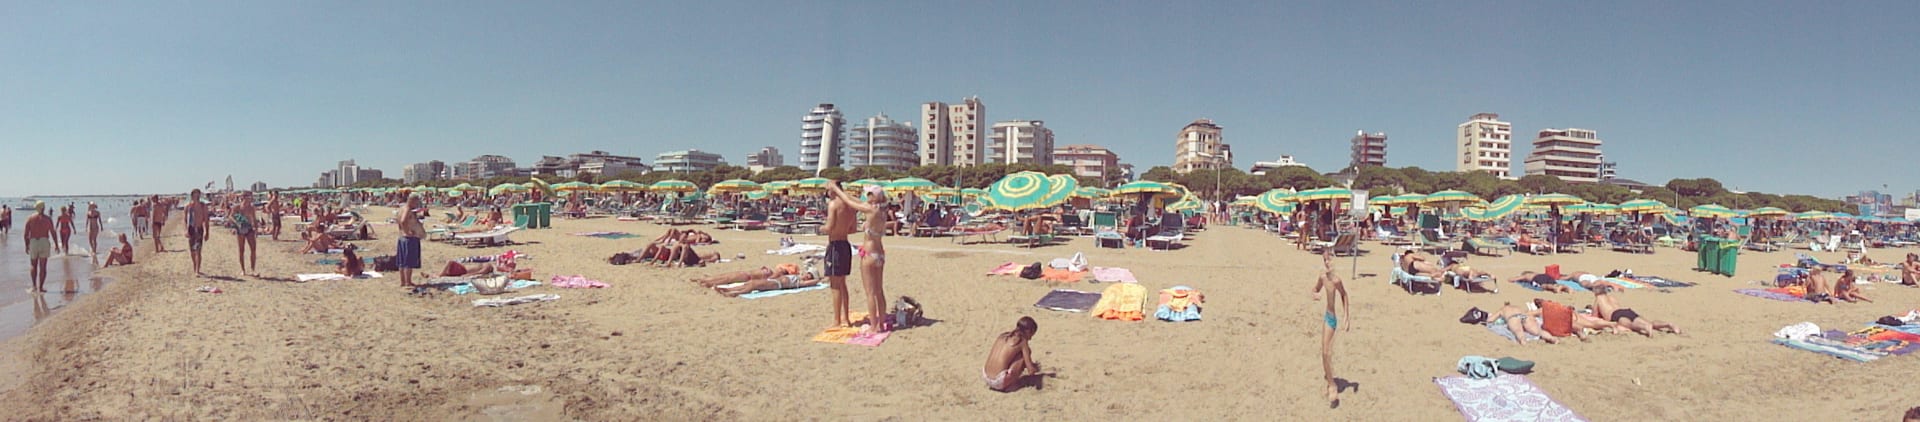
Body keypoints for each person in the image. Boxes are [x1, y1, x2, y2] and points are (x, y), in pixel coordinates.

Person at [828, 182, 891, 333]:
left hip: (869, 253)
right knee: (879, 291)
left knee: (870, 293)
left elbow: (849, 202)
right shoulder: (881, 210)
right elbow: (853, 200)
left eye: (868, 194)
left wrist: (836, 189)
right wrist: (842, 192)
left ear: (873, 197)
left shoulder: (870, 209)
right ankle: (881, 323)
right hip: (880, 253)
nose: (866, 197)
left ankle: (874, 326)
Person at [1311, 248, 1350, 405]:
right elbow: (1315, 288)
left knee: (1328, 352)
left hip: (1333, 319)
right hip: (1327, 317)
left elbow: (1344, 295)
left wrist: (1347, 316)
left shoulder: (1337, 281)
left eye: (1329, 259)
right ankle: (1331, 384)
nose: (1327, 263)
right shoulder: (1322, 278)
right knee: (1324, 352)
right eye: (1325, 260)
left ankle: (1332, 384)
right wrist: (1314, 294)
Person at [820, 186, 858, 328]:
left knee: (835, 285)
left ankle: (837, 320)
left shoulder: (833, 205)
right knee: (842, 284)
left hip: (835, 245)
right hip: (845, 244)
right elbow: (853, 229)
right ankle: (846, 318)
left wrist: (821, 228)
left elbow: (829, 227)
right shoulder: (850, 206)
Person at [1592, 285, 1681, 336]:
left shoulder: (1598, 299)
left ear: (1595, 293)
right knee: (1649, 322)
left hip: (1615, 315)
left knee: (1631, 325)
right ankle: (1668, 324)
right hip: (1626, 311)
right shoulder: (1611, 298)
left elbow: (1594, 316)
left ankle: (1645, 327)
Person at [981, 316, 1041, 392]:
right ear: (1028, 331)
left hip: (986, 375)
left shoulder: (1003, 335)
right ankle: (1011, 385)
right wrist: (1035, 368)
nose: (1030, 338)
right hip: (998, 382)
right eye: (1031, 335)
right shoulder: (1022, 341)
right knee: (1023, 354)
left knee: (1013, 354)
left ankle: (1005, 379)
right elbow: (1031, 371)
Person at [1487, 302, 1557, 345]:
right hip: (1523, 316)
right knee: (1538, 331)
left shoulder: (1503, 309)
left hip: (1513, 317)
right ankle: (1552, 338)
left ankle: (1523, 341)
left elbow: (1490, 320)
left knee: (1518, 331)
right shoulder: (1518, 307)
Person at [714, 270, 821, 297]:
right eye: (807, 274)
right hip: (773, 281)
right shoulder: (798, 276)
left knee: (754, 286)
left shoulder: (801, 282)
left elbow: (815, 281)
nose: (806, 275)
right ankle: (728, 290)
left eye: (809, 276)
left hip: (777, 285)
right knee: (751, 282)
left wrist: (819, 278)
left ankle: (735, 293)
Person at [396, 196, 427, 288]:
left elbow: (399, 221)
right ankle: (408, 282)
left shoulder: (402, 208)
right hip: (409, 238)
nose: (417, 204)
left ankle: (403, 281)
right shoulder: (407, 209)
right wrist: (407, 232)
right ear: (412, 201)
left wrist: (403, 230)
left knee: (402, 262)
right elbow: (403, 220)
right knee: (408, 261)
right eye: (416, 202)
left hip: (402, 237)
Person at [23, 202, 54, 293]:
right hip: (44, 241)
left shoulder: (30, 218)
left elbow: (26, 234)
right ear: (43, 208)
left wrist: (26, 245)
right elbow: (53, 232)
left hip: (33, 241)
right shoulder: (48, 219)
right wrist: (56, 244)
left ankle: (34, 286)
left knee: (33, 265)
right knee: (43, 266)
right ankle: (41, 287)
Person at [691, 263, 801, 287]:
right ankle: (704, 280)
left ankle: (707, 282)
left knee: (726, 278)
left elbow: (769, 280)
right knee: (725, 276)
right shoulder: (774, 272)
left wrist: (767, 273)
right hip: (746, 273)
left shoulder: (778, 273)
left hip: (748, 276)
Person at [184, 190, 210, 277]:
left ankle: (197, 270)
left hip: (199, 229)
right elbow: (185, 220)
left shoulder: (203, 206)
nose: (196, 197)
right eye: (195, 195)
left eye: (198, 195)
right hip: (191, 229)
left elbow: (206, 220)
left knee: (198, 250)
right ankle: (195, 266)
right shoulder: (188, 207)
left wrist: (207, 232)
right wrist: (186, 230)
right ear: (192, 196)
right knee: (192, 251)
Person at [232, 194, 259, 276]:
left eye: (250, 198)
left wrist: (256, 228)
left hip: (249, 228)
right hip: (240, 228)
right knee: (241, 250)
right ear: (243, 198)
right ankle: (243, 269)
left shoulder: (251, 208)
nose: (249, 199)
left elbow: (254, 218)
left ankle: (253, 269)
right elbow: (231, 216)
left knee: (253, 249)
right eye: (247, 198)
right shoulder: (237, 207)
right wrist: (236, 223)